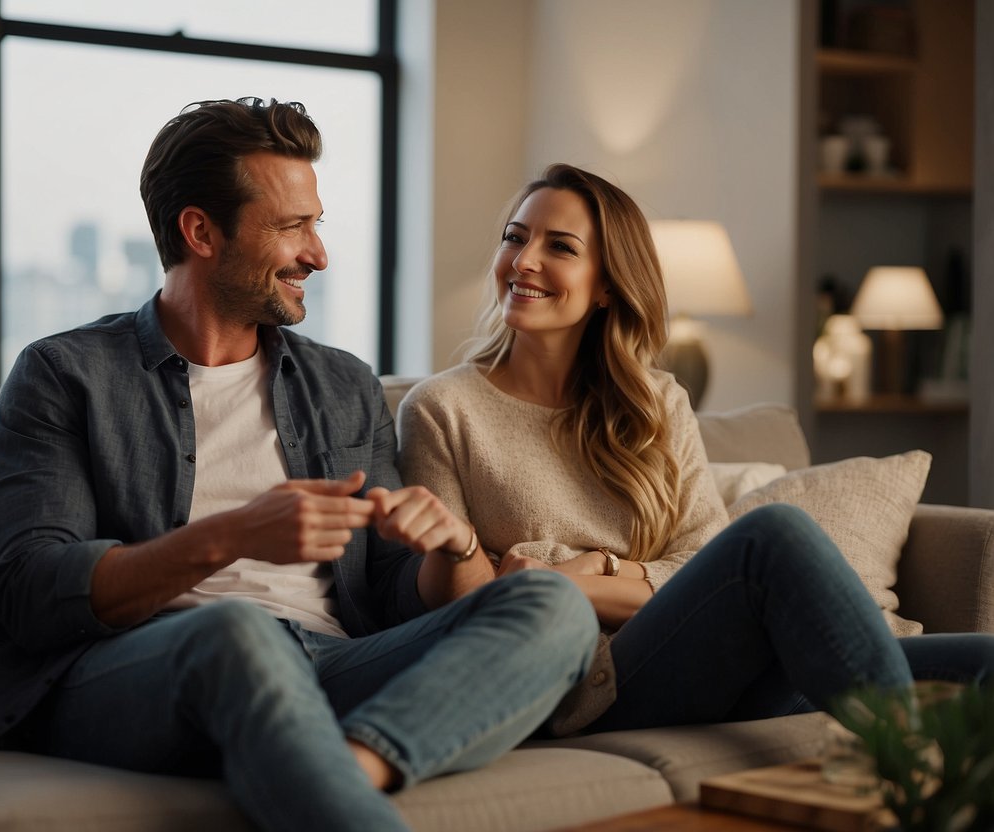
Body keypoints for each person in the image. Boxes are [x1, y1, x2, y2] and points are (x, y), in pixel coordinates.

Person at [0, 101, 599, 832]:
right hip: (146, 669)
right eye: (291, 227)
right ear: (201, 231)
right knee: (237, 630)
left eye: (316, 225)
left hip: (328, 666)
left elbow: (398, 596)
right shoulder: (64, 374)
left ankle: (330, 765)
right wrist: (232, 534)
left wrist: (450, 549)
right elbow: (32, 591)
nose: (317, 255)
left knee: (552, 608)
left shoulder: (341, 384)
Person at [397, 162, 994, 737]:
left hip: (716, 663)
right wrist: (589, 586)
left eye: (560, 246)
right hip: (588, 688)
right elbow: (459, 611)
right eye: (515, 238)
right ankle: (906, 752)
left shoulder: (655, 401)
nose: (524, 261)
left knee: (982, 663)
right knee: (772, 536)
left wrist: (587, 572)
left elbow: (698, 564)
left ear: (606, 286)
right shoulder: (442, 410)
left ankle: (899, 740)